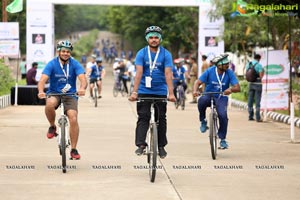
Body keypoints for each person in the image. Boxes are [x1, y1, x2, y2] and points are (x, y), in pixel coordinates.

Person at [128, 25, 176, 158]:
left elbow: (168, 74)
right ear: (147, 39)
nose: (154, 40)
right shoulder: (141, 53)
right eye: (151, 37)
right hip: (144, 90)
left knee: (161, 119)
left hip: (160, 91)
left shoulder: (166, 54)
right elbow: (139, 73)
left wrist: (171, 94)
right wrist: (134, 92)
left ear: (160, 39)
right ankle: (141, 145)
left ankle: (161, 146)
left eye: (156, 37)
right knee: (143, 117)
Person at [37, 40, 87, 160]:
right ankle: (52, 126)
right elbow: (42, 80)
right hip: (54, 93)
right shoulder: (52, 64)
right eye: (63, 51)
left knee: (73, 118)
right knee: (49, 104)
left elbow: (83, 79)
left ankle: (74, 149)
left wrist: (82, 88)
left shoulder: (75, 64)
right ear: (58, 51)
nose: (65, 53)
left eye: (68, 52)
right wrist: (40, 91)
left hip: (70, 94)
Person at [193, 54, 240, 149]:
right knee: (201, 101)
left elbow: (237, 87)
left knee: (223, 116)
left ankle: (222, 139)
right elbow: (197, 82)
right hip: (209, 94)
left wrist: (230, 90)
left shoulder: (229, 73)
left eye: (228, 63)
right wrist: (195, 91)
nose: (228, 65)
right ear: (219, 65)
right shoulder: (210, 71)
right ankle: (203, 121)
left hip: (221, 96)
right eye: (226, 64)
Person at [246, 54, 264, 122]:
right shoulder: (259, 65)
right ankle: (258, 117)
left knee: (250, 101)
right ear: (259, 58)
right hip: (258, 84)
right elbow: (261, 76)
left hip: (250, 84)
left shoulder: (248, 64)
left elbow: (247, 73)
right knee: (257, 101)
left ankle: (250, 116)